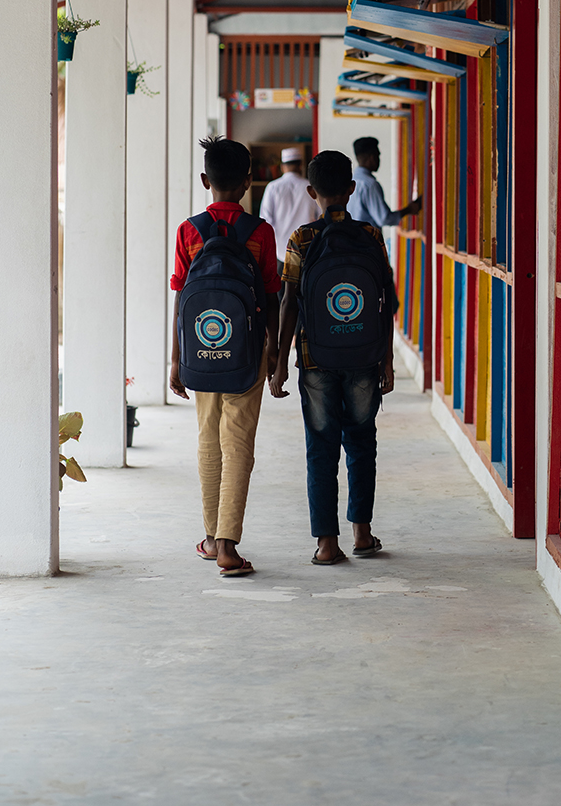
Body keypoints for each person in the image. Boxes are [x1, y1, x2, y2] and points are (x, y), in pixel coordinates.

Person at [270, 150, 397, 565]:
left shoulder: (301, 239)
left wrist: (280, 362)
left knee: (320, 448)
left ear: (311, 192)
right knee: (362, 441)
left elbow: (289, 301)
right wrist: (387, 358)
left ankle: (327, 544)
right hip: (364, 354)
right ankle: (362, 533)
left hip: (315, 358)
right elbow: (385, 301)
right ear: (351, 189)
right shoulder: (371, 236)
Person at [169, 137, 280, 577]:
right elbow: (272, 295)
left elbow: (182, 300)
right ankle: (229, 545)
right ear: (249, 181)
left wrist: (177, 359)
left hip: (201, 348)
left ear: (204, 181)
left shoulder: (189, 230)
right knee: (238, 445)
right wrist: (272, 352)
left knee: (207, 440)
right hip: (247, 354)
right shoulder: (260, 232)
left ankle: (213, 538)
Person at [259, 146, 320, 274]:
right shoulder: (310, 187)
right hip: (306, 250)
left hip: (280, 252)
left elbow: (265, 221)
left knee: (281, 292)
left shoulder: (273, 187)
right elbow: (320, 216)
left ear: (282, 167)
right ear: (301, 165)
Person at [348, 136, 422, 229]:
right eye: (378, 155)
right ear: (372, 157)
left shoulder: (350, 181)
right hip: (366, 241)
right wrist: (408, 210)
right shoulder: (369, 185)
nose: (379, 159)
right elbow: (384, 218)